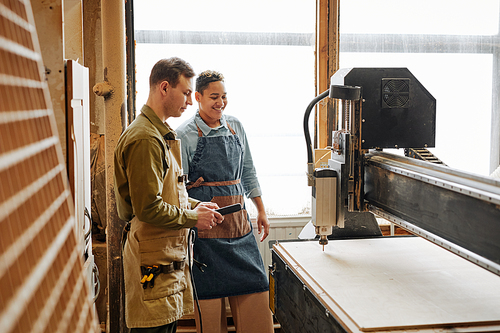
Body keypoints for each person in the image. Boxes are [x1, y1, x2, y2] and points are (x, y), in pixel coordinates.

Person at [114, 58, 224, 333]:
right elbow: (148, 208)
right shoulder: (145, 139)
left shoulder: (160, 134)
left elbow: (167, 192)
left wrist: (197, 206)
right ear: (164, 87)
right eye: (186, 93)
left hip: (162, 255)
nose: (189, 101)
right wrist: (192, 218)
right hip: (151, 258)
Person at [176, 70, 274, 333]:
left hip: (240, 229)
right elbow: (178, 191)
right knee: (209, 315)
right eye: (214, 97)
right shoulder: (183, 134)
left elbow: (248, 171)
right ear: (198, 97)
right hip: (205, 234)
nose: (220, 102)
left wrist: (261, 210)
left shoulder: (236, 126)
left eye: (224, 96)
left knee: (256, 294)